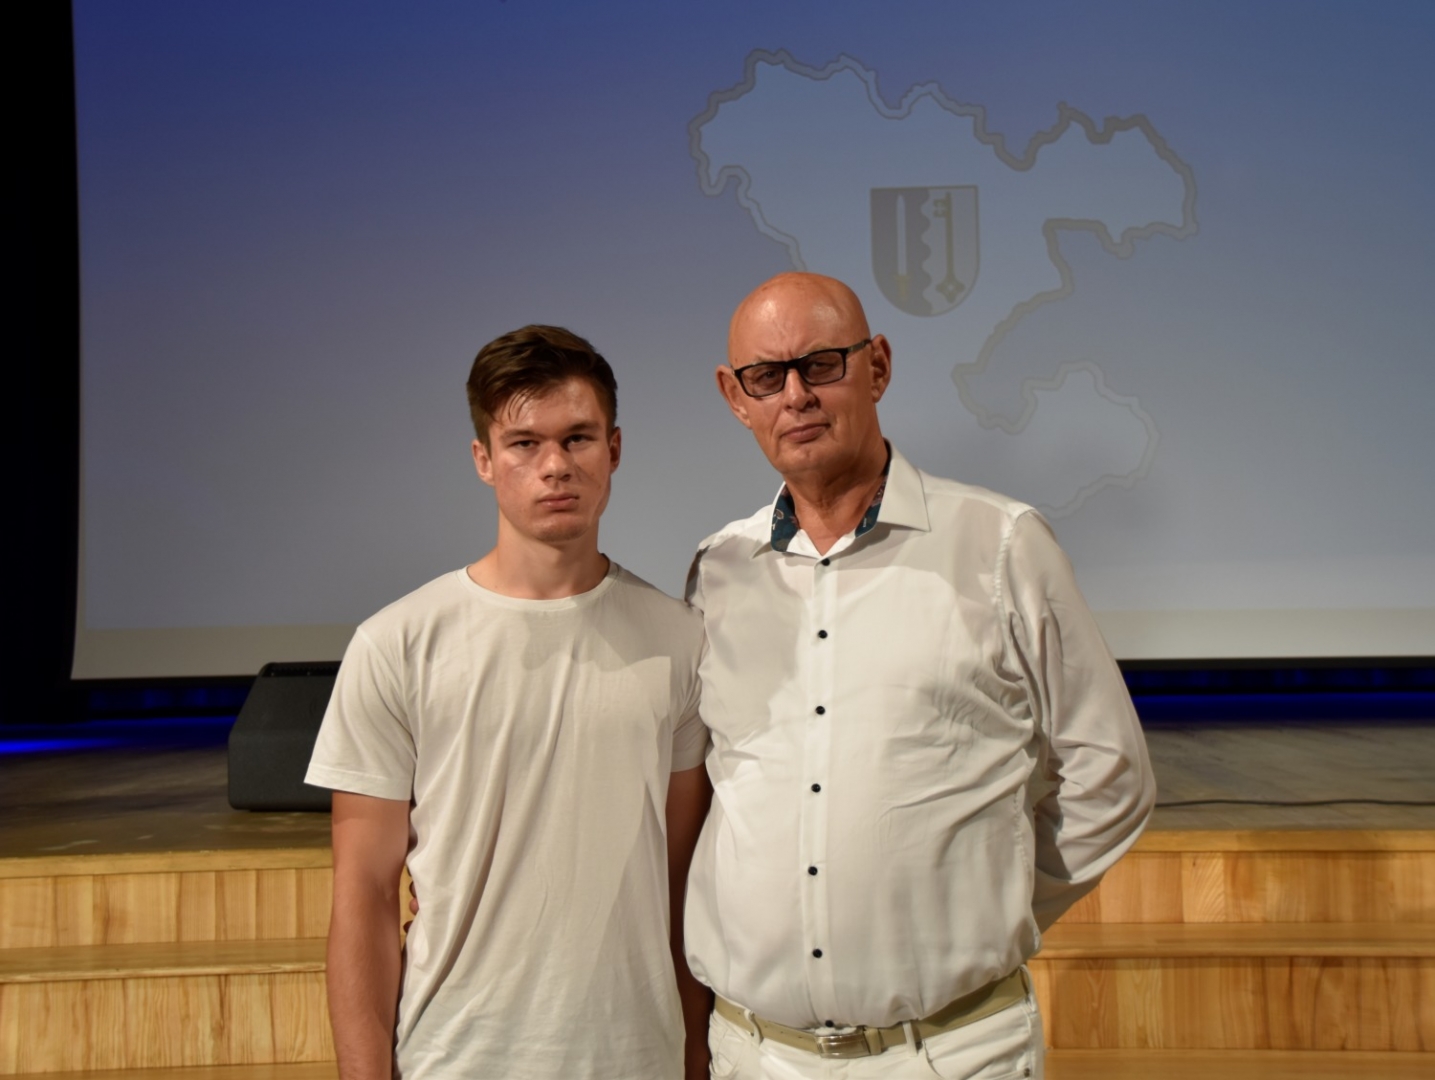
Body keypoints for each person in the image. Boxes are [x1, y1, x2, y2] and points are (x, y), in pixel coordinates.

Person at [683, 273, 1156, 1079]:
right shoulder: (718, 570)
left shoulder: (1001, 545)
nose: (795, 396)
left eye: (821, 364)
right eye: (766, 377)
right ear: (736, 397)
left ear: (877, 365)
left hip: (949, 1053)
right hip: (753, 1055)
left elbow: (1110, 775)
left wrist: (986, 904)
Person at [306, 325, 712, 1080]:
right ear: (484, 460)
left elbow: (682, 887)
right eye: (524, 443)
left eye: (578, 438)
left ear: (613, 450)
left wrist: (694, 1058)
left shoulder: (679, 640)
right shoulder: (397, 644)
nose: (555, 465)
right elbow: (363, 896)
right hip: (456, 1058)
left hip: (636, 1059)